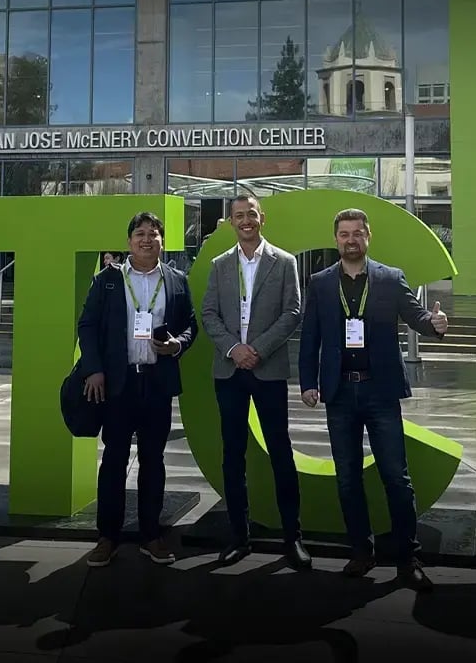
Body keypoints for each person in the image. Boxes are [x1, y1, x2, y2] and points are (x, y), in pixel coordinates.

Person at [299, 208, 449, 592]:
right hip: (338, 393)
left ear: (368, 237)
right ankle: (361, 551)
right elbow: (310, 336)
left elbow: (418, 319)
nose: (351, 240)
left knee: (396, 478)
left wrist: (436, 325)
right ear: (336, 239)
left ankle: (407, 557)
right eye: (344, 234)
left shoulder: (390, 279)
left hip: (379, 391)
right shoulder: (319, 282)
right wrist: (307, 382)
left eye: (358, 233)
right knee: (348, 479)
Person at [77, 212, 198, 567]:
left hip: (157, 384)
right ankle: (107, 537)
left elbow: (190, 324)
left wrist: (177, 345)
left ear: (162, 240)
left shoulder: (176, 280)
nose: (147, 239)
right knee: (113, 460)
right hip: (118, 384)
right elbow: (87, 324)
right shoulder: (109, 280)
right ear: (129, 241)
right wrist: (94, 369)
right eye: (140, 233)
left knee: (153, 461)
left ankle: (151, 535)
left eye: (153, 234)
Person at [200, 195, 309, 569]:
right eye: (238, 216)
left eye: (251, 214)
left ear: (262, 218)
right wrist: (234, 349)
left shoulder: (285, 262)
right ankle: (239, 537)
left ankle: (292, 539)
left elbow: (293, 311)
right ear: (231, 222)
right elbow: (209, 313)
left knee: (281, 452)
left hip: (267, 369)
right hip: (229, 371)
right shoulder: (219, 265)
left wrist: (256, 349)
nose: (245, 221)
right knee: (233, 455)